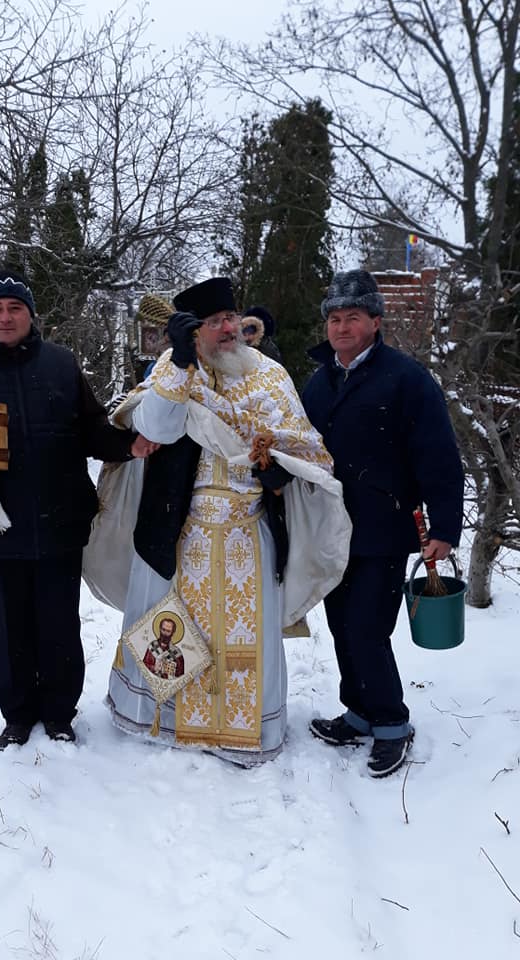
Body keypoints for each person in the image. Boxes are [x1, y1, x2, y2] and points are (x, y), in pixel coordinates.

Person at [93, 276, 351, 766]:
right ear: (193, 333)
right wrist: (181, 367)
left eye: (230, 318)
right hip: (180, 529)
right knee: (174, 629)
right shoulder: (173, 372)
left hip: (247, 533)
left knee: (243, 635)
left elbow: (302, 449)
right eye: (214, 323)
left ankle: (240, 728)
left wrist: (280, 471)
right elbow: (155, 428)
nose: (228, 328)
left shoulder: (269, 375)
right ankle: (169, 723)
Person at [0, 268, 157, 749]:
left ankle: (59, 713)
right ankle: (18, 714)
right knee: (11, 626)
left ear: (31, 315)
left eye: (15, 308)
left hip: (59, 518)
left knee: (59, 622)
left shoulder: (62, 365)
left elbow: (92, 429)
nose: (5, 318)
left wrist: (131, 445)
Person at [301, 269, 464, 778]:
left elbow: (438, 455)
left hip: (383, 526)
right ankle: (359, 713)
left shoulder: (407, 379)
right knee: (341, 625)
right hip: (329, 529)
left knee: (368, 628)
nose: (341, 327)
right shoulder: (318, 381)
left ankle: (392, 722)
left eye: (352, 317)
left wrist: (444, 529)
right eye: (333, 318)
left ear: (375, 321)